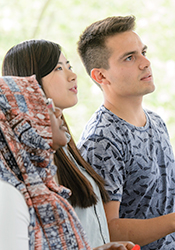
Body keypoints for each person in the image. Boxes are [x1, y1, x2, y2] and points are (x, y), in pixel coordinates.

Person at [76, 15, 175, 250]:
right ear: (101, 76)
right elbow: (105, 229)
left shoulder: (156, 122)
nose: (145, 63)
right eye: (129, 57)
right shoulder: (101, 140)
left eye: (143, 52)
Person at [0, 75, 136, 250]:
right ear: (22, 124)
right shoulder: (8, 195)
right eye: (45, 105)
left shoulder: (39, 188)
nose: (57, 112)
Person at [2, 39, 112, 248]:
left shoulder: (66, 147)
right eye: (58, 69)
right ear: (27, 85)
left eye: (69, 66)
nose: (72, 75)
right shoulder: (27, 166)